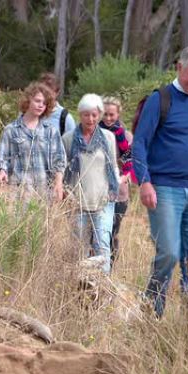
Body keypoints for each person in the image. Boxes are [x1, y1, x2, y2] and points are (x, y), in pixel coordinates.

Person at [132, 46, 188, 317]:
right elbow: (140, 143)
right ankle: (151, 311)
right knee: (168, 253)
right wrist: (144, 182)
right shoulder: (160, 100)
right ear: (179, 67)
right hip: (164, 189)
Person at [63, 93, 119, 274]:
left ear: (99, 115)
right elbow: (63, 171)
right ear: (80, 115)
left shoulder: (108, 137)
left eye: (94, 114)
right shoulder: (68, 139)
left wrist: (115, 187)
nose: (90, 118)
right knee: (79, 248)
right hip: (78, 202)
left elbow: (113, 165)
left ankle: (103, 288)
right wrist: (65, 194)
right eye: (86, 114)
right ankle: (80, 288)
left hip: (103, 200)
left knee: (102, 246)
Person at [0, 82, 66, 203]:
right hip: (18, 195)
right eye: (37, 101)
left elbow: (59, 160)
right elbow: (2, 158)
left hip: (44, 195)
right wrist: (2, 171)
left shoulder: (51, 131)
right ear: (28, 100)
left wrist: (58, 184)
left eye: (44, 103)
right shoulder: (11, 130)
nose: (41, 105)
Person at [99, 96, 135, 269]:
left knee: (112, 232)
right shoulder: (93, 132)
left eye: (111, 115)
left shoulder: (125, 136)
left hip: (119, 193)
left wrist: (125, 174)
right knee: (95, 233)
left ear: (118, 114)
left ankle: (109, 270)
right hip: (96, 190)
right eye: (105, 114)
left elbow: (130, 161)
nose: (108, 118)